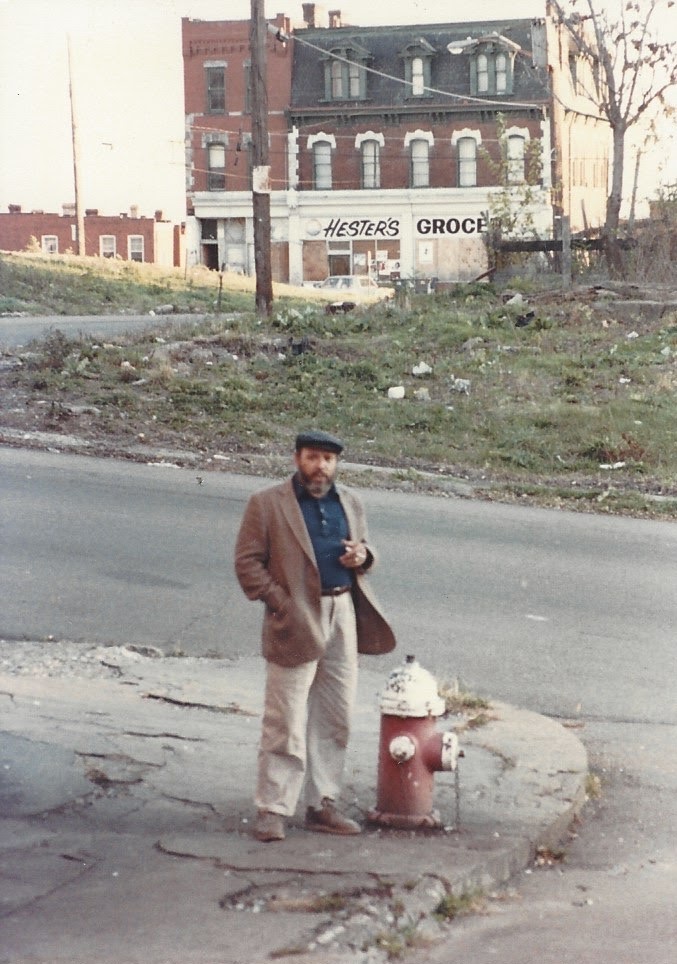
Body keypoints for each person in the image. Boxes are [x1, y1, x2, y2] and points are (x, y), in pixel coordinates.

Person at [234, 429, 396, 842]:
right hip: (296, 615)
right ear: (296, 459)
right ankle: (272, 808)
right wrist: (282, 603)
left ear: (337, 464)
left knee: (335, 713)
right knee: (284, 719)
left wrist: (364, 556)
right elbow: (248, 564)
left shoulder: (351, 502)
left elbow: (366, 550)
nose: (320, 466)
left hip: (343, 612)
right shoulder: (267, 503)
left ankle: (322, 803)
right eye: (312, 457)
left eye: (328, 459)